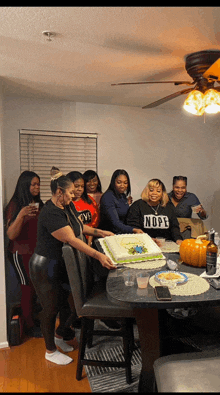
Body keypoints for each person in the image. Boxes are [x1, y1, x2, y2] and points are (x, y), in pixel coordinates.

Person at [29, 167, 115, 366]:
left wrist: (100, 232)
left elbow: (78, 226)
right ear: (59, 193)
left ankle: (60, 335)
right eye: (69, 192)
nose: (73, 195)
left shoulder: (66, 206)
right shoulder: (51, 213)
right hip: (45, 265)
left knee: (70, 304)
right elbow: (72, 239)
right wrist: (98, 255)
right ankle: (49, 350)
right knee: (50, 309)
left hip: (60, 264)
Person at [4, 171, 44, 336]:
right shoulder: (15, 204)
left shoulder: (37, 203)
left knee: (35, 287)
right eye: (33, 184)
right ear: (24, 186)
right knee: (27, 287)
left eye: (38, 184)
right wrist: (21, 214)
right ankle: (29, 326)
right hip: (19, 253)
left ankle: (33, 318)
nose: (36, 187)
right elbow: (11, 235)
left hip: (35, 252)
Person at [126, 178, 182, 245]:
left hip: (166, 244)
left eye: (158, 191)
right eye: (151, 190)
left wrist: (178, 239)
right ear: (147, 191)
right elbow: (133, 228)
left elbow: (174, 226)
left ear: (162, 193)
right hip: (143, 243)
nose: (154, 193)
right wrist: (148, 239)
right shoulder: (137, 205)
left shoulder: (169, 206)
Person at [99, 169, 142, 235]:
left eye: (125, 183)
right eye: (119, 182)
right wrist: (134, 230)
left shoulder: (122, 196)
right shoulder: (108, 197)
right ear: (113, 182)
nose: (122, 186)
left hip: (121, 233)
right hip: (108, 234)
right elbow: (115, 223)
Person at [66, 171, 100, 246]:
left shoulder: (90, 201)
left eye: (82, 186)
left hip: (89, 240)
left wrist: (89, 243)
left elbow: (93, 224)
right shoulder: (65, 203)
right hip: (71, 242)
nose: (80, 189)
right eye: (76, 186)